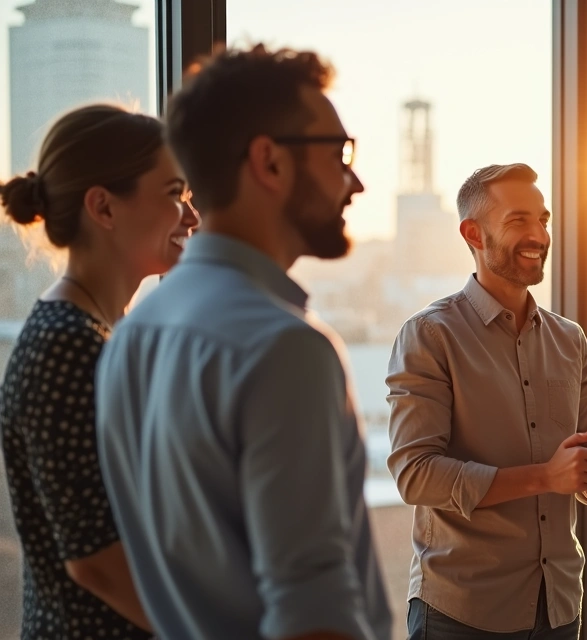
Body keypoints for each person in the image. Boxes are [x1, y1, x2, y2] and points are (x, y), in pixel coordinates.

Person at [93, 45, 392, 640]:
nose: (354, 181)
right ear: (270, 163)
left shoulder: (132, 336)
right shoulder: (284, 348)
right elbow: (313, 615)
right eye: (339, 153)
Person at [386, 162, 587, 639]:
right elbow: (415, 475)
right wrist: (545, 476)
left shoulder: (571, 341)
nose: (539, 234)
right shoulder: (430, 335)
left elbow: (581, 480)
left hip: (559, 609)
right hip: (463, 613)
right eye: (518, 220)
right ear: (473, 234)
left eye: (543, 219)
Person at [0, 103, 197, 639]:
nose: (191, 217)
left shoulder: (101, 335)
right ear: (103, 207)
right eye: (173, 194)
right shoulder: (63, 349)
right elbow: (97, 561)